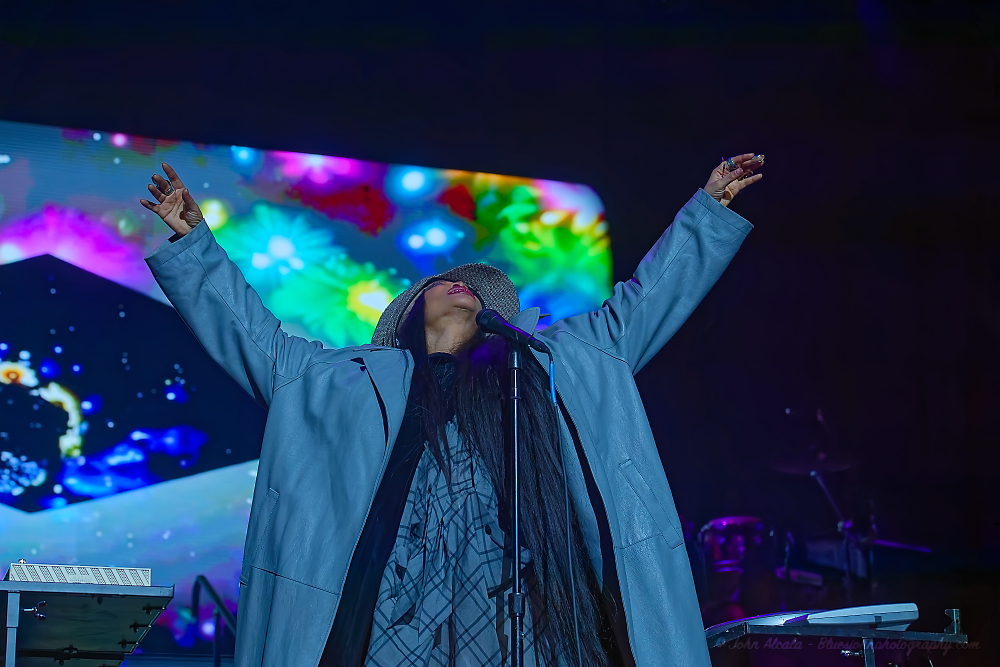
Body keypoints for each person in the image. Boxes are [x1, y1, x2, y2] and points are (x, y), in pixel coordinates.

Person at [140, 155, 763, 667]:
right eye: (441, 284)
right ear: (408, 318)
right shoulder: (337, 379)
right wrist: (193, 244)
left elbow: (644, 303)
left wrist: (707, 213)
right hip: (390, 607)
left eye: (471, 287)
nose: (457, 284)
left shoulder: (550, 363)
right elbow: (250, 333)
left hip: (524, 608)